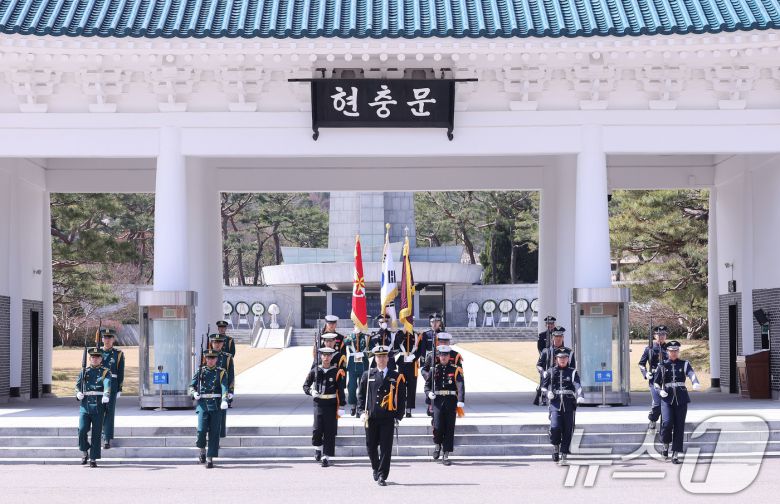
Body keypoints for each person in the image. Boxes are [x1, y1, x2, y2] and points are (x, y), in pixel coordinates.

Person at [357, 345, 407, 486]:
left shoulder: (396, 376)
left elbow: (402, 398)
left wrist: (398, 416)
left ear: (388, 358)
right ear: (375, 358)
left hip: (387, 417)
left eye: (384, 356)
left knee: (385, 447)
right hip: (371, 417)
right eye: (379, 356)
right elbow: (361, 396)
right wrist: (361, 412)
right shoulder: (368, 374)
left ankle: (382, 475)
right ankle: (375, 467)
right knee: (371, 446)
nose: (382, 359)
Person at [653, 339, 701, 464]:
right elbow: (656, 383)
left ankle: (675, 453)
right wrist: (659, 392)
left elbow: (691, 373)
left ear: (678, 351)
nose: (673, 353)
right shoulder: (662, 365)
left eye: (675, 351)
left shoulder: (684, 364)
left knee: (679, 426)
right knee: (667, 423)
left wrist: (695, 382)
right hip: (667, 398)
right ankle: (665, 444)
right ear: (667, 352)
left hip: (681, 398)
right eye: (671, 351)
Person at [303, 347, 346, 467]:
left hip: (331, 404)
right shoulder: (315, 370)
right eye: (324, 355)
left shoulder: (336, 371)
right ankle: (317, 448)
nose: (326, 358)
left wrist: (342, 405)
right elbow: (305, 385)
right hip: (318, 403)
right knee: (317, 430)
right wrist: (311, 392)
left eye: (329, 355)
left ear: (331, 357)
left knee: (329, 431)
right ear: (320, 356)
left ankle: (326, 457)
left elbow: (340, 390)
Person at [424, 344, 465, 466]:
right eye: (441, 355)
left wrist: (461, 399)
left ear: (449, 356)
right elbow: (427, 386)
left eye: (446, 355)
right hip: (437, 401)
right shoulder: (434, 369)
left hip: (451, 401)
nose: (443, 357)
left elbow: (460, 385)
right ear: (439, 356)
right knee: (437, 426)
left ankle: (446, 454)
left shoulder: (455, 369)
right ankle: (437, 445)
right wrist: (428, 393)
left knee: (449, 428)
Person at [542, 348, 584, 465]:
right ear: (556, 359)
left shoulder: (572, 372)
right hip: (555, 404)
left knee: (567, 430)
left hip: (568, 405)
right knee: (555, 427)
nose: (562, 360)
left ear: (567, 359)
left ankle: (564, 453)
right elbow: (543, 387)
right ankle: (556, 446)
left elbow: (577, 385)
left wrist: (580, 395)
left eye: (565, 358)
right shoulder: (550, 372)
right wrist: (547, 393)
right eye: (560, 358)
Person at [189, 349, 229, 469]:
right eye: (208, 358)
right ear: (205, 359)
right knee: (201, 430)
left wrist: (224, 399)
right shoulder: (200, 371)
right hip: (203, 404)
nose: (211, 360)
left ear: (216, 359)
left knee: (214, 432)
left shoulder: (221, 372)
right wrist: (194, 393)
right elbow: (191, 385)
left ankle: (210, 458)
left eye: (213, 358)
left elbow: (224, 387)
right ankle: (202, 450)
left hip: (216, 405)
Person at [75, 347, 111, 467]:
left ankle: (93, 458)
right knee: (82, 429)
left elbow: (107, 383)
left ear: (101, 359)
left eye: (97, 357)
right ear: (90, 359)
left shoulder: (105, 371)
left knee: (96, 433)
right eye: (93, 357)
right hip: (85, 405)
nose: (95, 359)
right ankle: (85, 451)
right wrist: (78, 393)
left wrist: (106, 394)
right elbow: (77, 385)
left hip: (98, 405)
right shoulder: (84, 371)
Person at [420, 332, 462, 416]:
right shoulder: (432, 355)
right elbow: (424, 370)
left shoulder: (455, 355)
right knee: (434, 417)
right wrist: (430, 377)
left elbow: (459, 373)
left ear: (449, 342)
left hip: (449, 390)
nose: (444, 344)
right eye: (441, 341)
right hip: (435, 389)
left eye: (446, 342)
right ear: (438, 342)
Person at [638, 325, 669, 430]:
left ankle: (667, 424)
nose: (661, 336)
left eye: (663, 334)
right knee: (657, 403)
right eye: (659, 334)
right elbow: (641, 364)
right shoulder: (649, 349)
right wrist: (646, 373)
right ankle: (653, 419)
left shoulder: (670, 348)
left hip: (667, 379)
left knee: (668, 402)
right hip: (654, 379)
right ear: (655, 335)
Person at [536, 326, 575, 406]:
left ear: (563, 337)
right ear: (552, 337)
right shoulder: (546, 351)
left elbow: (572, 368)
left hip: (564, 381)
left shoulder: (569, 352)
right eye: (556, 336)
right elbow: (539, 365)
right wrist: (543, 372)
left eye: (560, 336)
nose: (558, 338)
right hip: (550, 380)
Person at [98, 328, 124, 449]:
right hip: (99, 385)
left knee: (109, 412)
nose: (107, 340)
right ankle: (98, 435)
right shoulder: (97, 352)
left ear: (113, 339)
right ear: (102, 339)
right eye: (105, 338)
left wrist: (119, 388)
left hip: (112, 385)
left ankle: (107, 438)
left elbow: (120, 372)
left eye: (109, 338)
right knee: (98, 411)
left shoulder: (118, 354)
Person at [208, 334, 235, 438]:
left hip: (222, 390)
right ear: (212, 343)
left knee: (221, 415)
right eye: (215, 342)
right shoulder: (206, 356)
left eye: (219, 342)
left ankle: (220, 435)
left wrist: (230, 391)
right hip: (209, 390)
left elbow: (231, 375)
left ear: (223, 343)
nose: (217, 344)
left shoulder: (227, 358)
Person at [393, 324, 422, 417]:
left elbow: (420, 349)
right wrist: (403, 333)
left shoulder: (417, 335)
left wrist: (413, 356)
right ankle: (401, 408)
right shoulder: (400, 333)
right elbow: (396, 344)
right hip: (402, 363)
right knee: (401, 386)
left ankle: (409, 409)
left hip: (412, 364)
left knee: (412, 387)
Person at [344, 326, 370, 416]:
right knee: (351, 386)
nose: (358, 327)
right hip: (352, 365)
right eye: (356, 325)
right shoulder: (350, 336)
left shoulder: (367, 337)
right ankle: (353, 405)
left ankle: (361, 406)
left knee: (362, 386)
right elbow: (345, 342)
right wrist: (353, 335)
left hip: (363, 364)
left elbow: (371, 349)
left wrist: (367, 353)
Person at [534, 315, 556, 405]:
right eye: (548, 324)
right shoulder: (542, 335)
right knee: (543, 379)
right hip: (545, 360)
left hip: (554, 360)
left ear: (553, 324)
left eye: (551, 324)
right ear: (545, 325)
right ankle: (542, 397)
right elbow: (540, 348)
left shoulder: (557, 334)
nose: (549, 325)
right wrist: (545, 357)